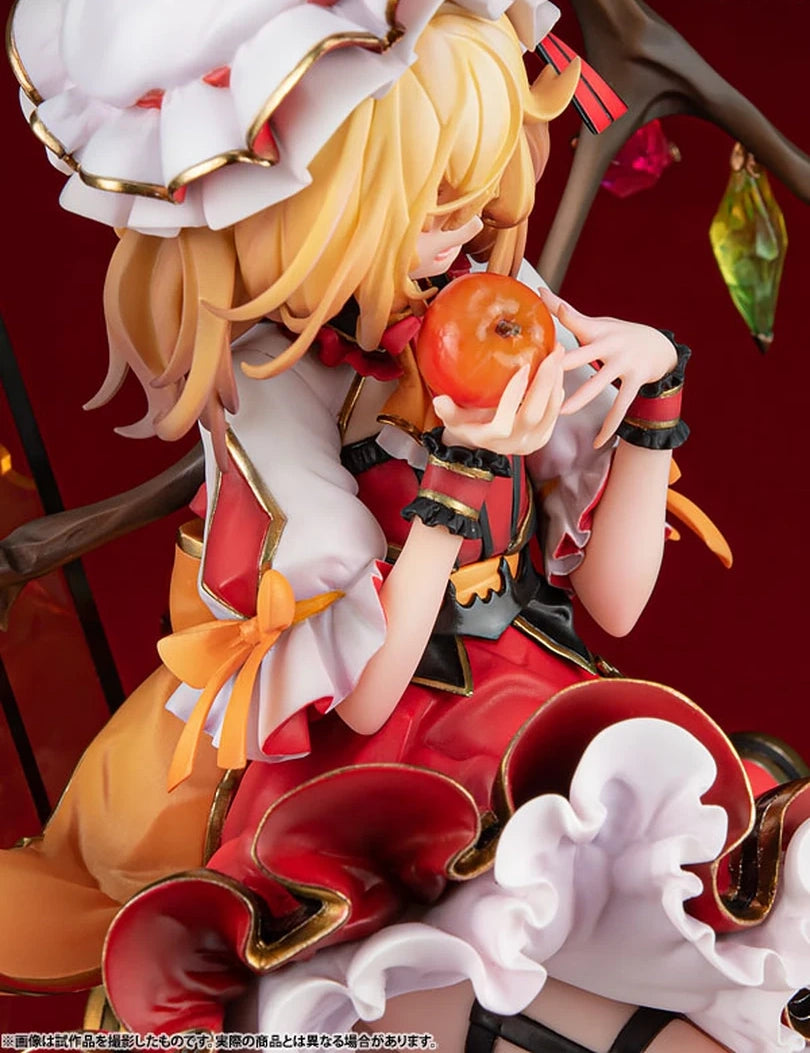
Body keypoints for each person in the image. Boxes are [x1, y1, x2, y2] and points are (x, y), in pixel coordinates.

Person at [3, 0, 810, 1049]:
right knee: (477, 969)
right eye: (432, 206)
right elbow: (367, 691)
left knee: (676, 937)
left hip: (539, 701)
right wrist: (463, 473)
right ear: (310, 209)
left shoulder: (494, 303)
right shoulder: (271, 385)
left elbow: (612, 603)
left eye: (478, 199)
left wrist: (655, 396)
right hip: (385, 761)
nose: (464, 236)